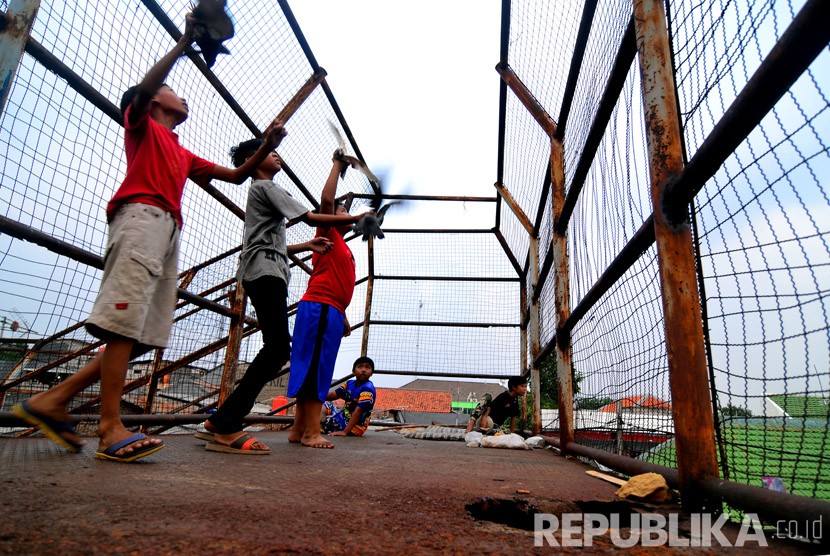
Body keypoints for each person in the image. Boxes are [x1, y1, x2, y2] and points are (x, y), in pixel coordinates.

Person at [12, 14, 286, 462]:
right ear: (155, 100)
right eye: (174, 91)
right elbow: (144, 88)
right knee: (123, 322)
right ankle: (109, 427)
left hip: (167, 229)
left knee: (138, 334)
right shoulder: (141, 124)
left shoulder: (180, 149)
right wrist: (183, 42)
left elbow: (236, 176)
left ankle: (52, 399)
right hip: (141, 219)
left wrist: (266, 142)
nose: (183, 95)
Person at [199, 139, 370, 455]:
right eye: (270, 151)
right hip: (275, 277)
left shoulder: (340, 247)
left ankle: (223, 419)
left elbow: (275, 240)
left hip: (288, 279)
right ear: (256, 158)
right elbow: (321, 206)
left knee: (280, 350)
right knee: (285, 352)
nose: (278, 156)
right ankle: (229, 423)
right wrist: (348, 199)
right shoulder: (267, 189)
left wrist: (305, 248)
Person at [287, 152, 362, 448]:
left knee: (314, 366)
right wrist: (337, 166)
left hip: (330, 310)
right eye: (343, 211)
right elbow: (327, 201)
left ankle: (297, 429)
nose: (345, 214)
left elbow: (339, 284)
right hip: (319, 307)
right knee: (315, 369)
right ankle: (311, 432)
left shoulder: (344, 245)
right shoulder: (328, 230)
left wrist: (342, 314)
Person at [321, 356, 376, 437]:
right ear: (353, 371)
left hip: (355, 426)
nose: (363, 370)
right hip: (344, 416)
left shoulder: (368, 389)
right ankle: (318, 425)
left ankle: (319, 427)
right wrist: (317, 395)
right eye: (360, 367)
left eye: (367, 367)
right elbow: (334, 395)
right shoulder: (349, 383)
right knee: (321, 404)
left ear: (371, 373)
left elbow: (358, 411)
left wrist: (345, 432)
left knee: (320, 425)